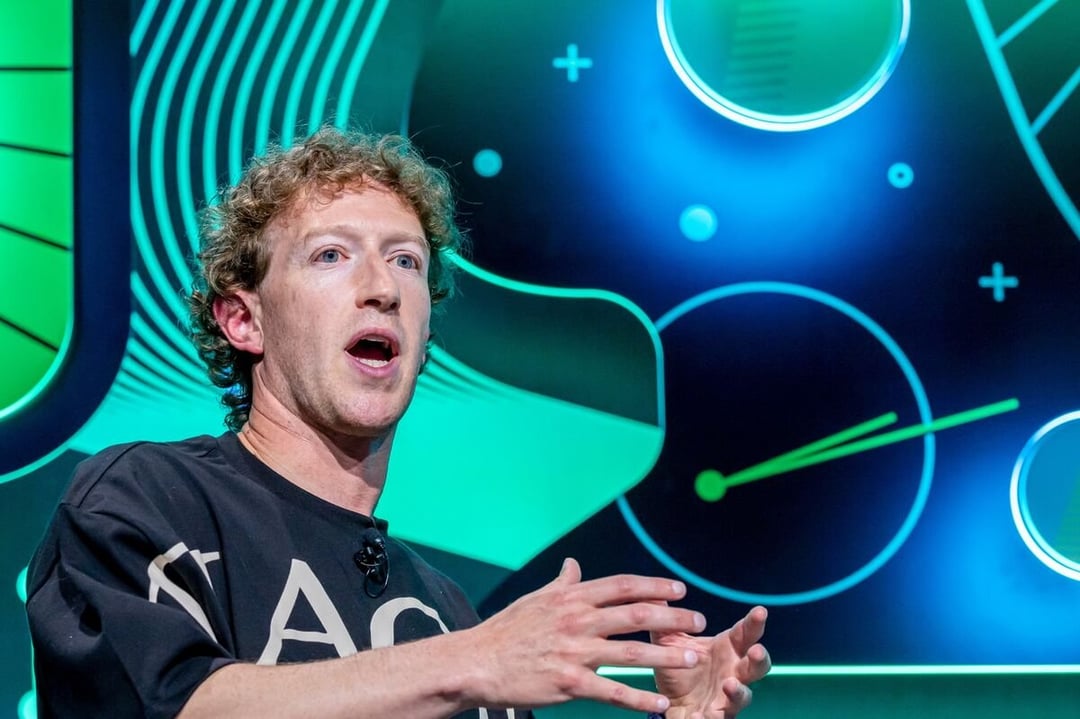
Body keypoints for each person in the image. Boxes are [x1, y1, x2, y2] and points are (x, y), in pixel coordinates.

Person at [26, 127, 770, 718]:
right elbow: (167, 706)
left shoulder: (448, 610)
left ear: (425, 331)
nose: (381, 287)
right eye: (331, 255)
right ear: (244, 320)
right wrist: (470, 661)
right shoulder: (147, 499)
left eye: (406, 261)